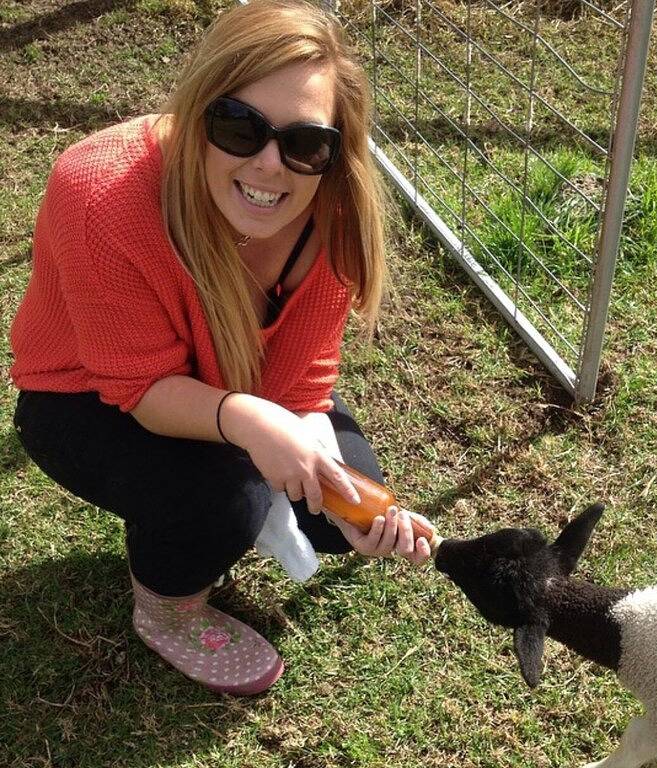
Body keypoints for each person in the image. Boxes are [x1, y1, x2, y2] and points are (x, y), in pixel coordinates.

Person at [10, 0, 431, 697]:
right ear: (196, 110)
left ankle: (258, 495)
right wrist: (248, 425)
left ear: (334, 151)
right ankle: (168, 610)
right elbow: (138, 388)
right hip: (85, 392)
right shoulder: (99, 192)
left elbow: (299, 384)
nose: (270, 167)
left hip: (234, 383)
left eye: (304, 143)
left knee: (336, 513)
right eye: (238, 127)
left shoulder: (332, 212)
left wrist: (342, 493)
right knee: (224, 498)